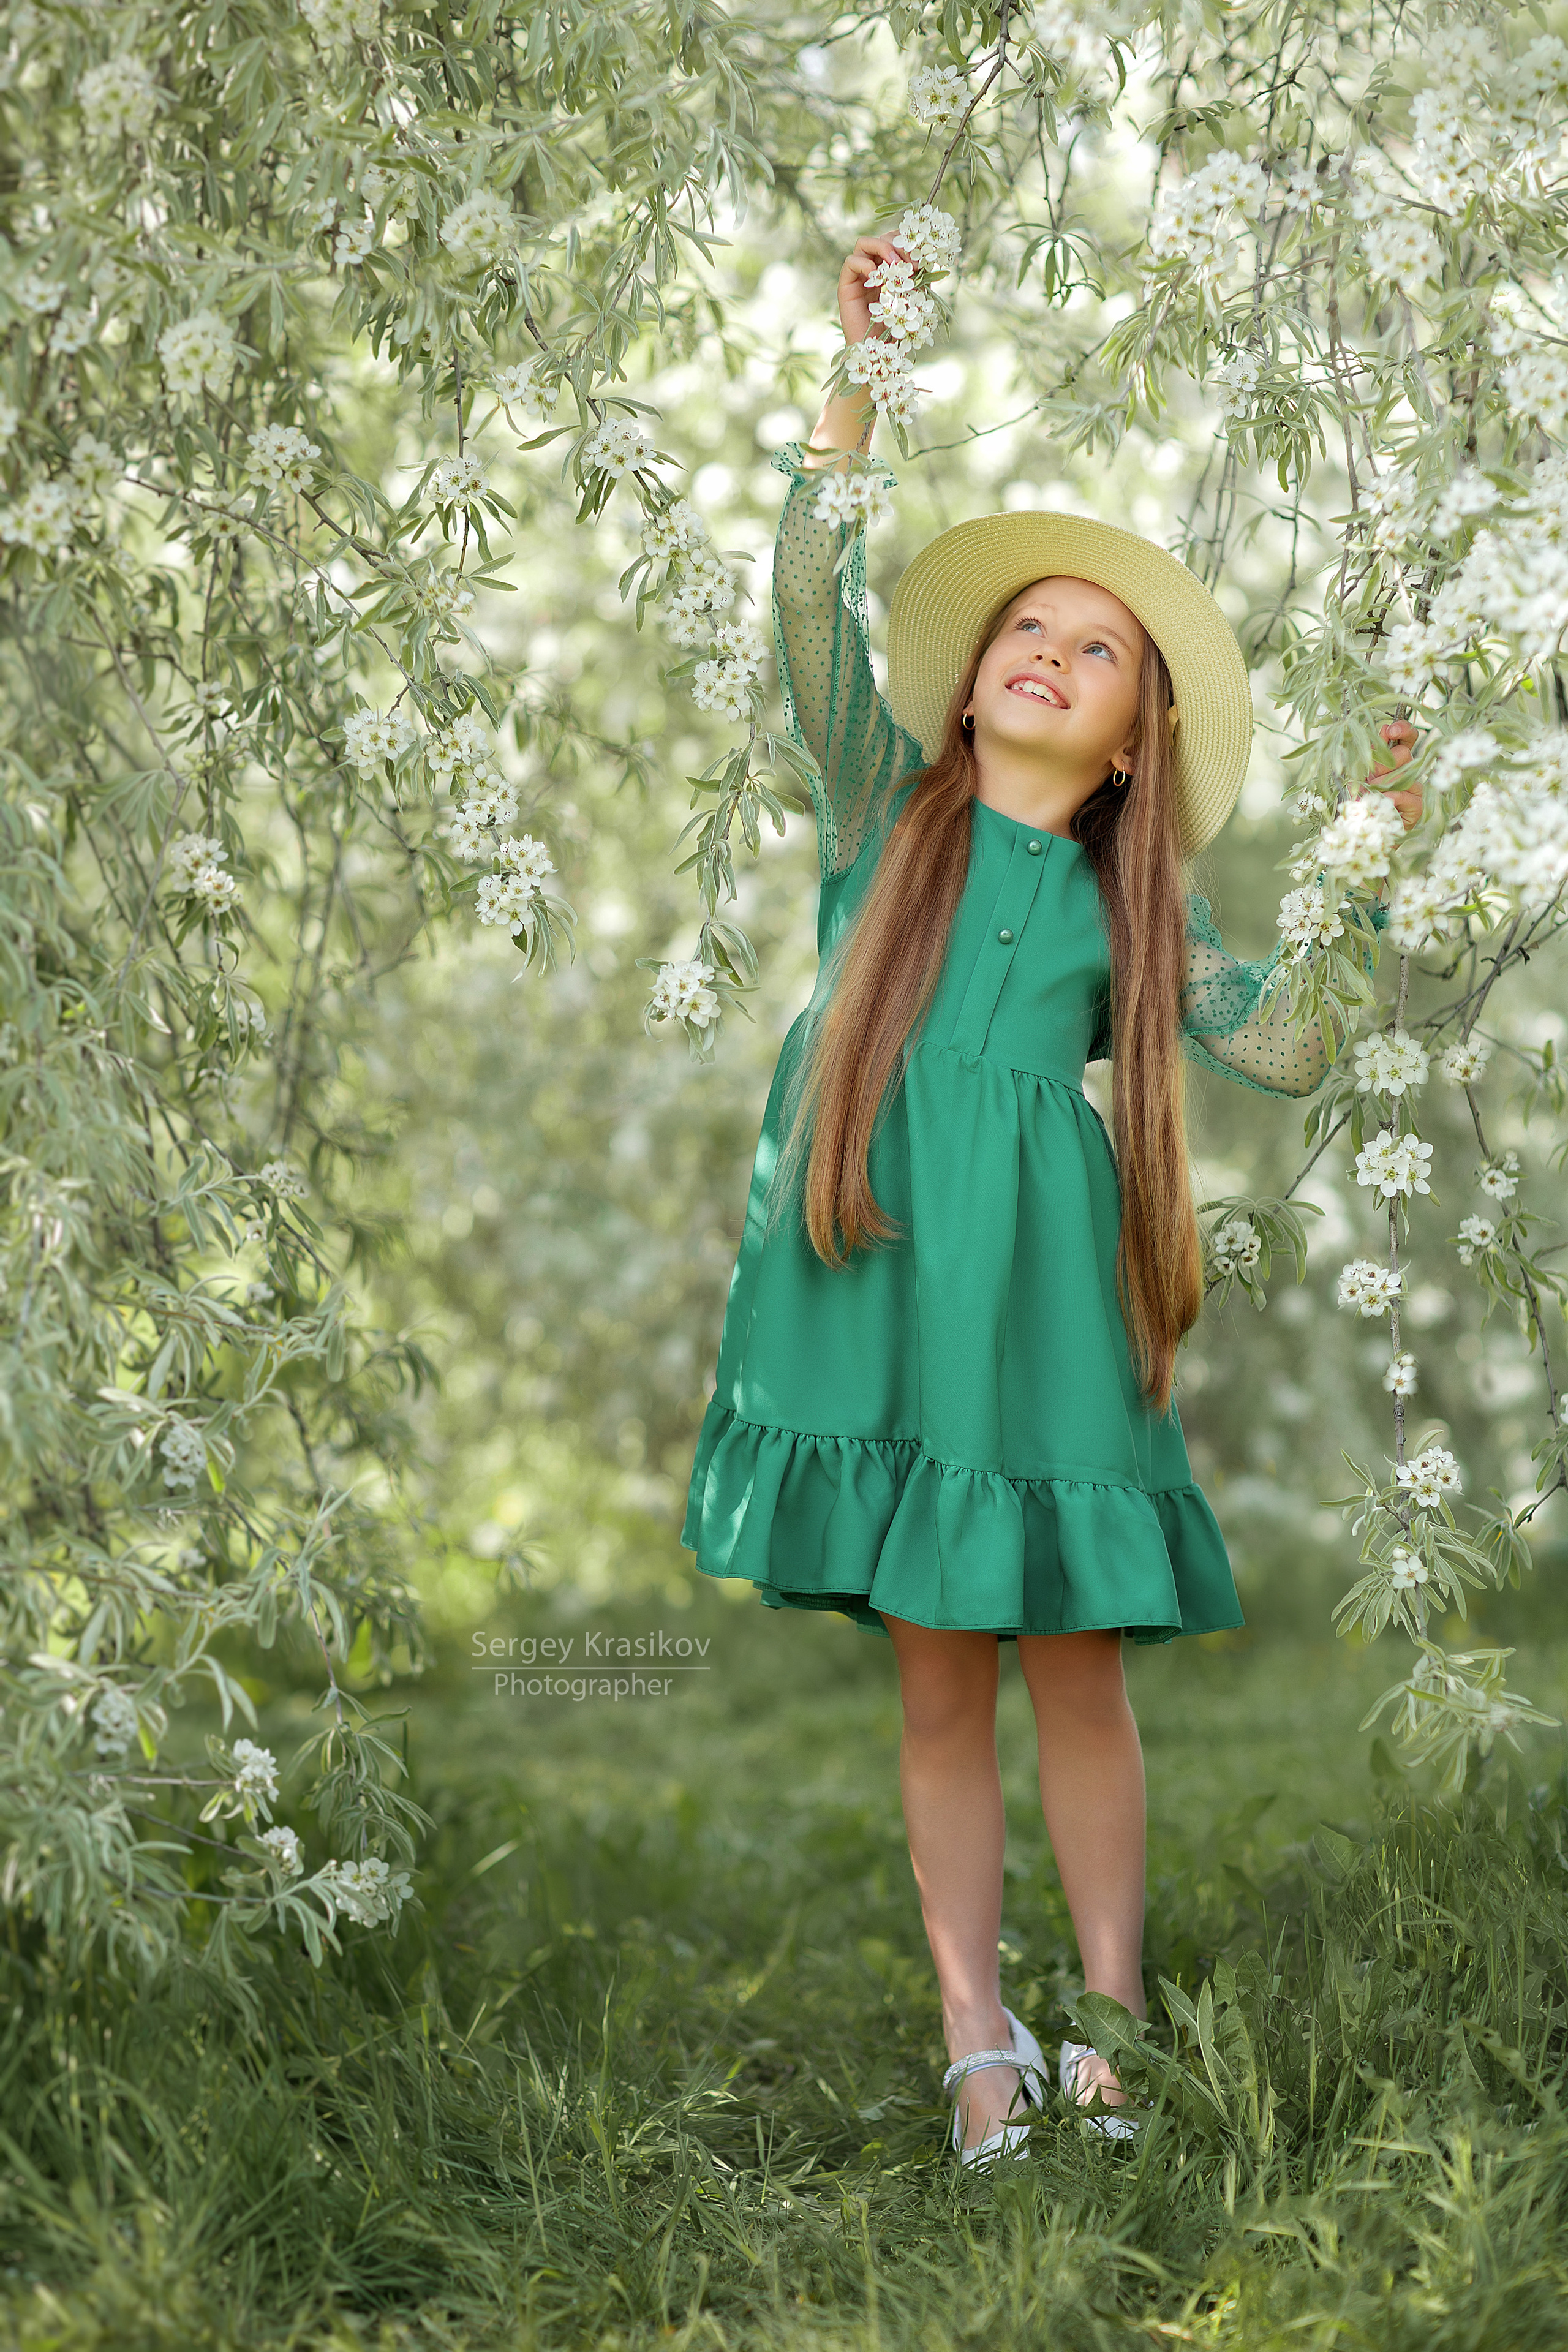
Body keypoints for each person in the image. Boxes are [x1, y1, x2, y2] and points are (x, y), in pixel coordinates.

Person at [680, 232, 1422, 2168]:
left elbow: (1285, 1046)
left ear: (1130, 741)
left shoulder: (1124, 908)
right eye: (1033, 627)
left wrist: (1365, 865)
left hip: (1046, 1310)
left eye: (1100, 651)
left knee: (1073, 1668)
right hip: (883, 1275)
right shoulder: (882, 815)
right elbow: (799, 611)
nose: (1049, 652)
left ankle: (1105, 2017)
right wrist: (853, 383)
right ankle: (971, 2028)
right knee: (938, 1679)